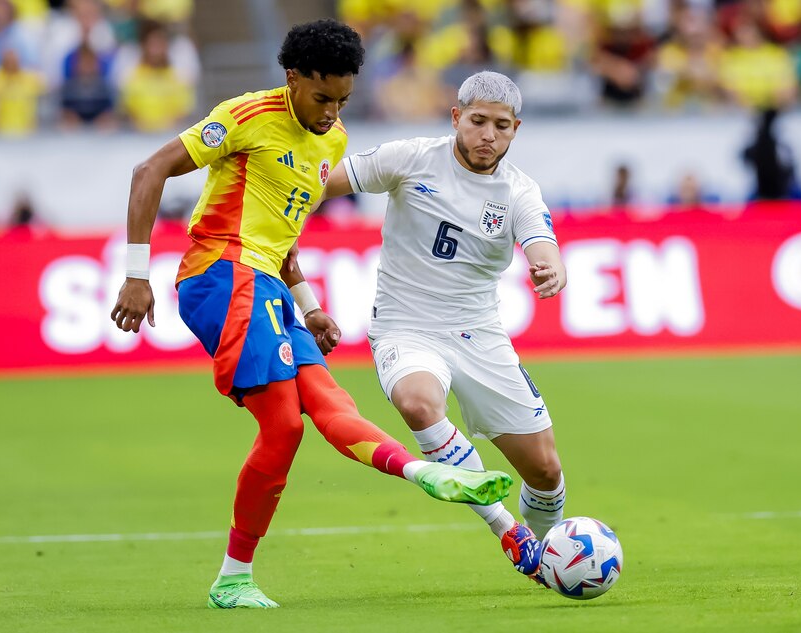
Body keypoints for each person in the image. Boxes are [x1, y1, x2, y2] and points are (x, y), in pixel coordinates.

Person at [109, 20, 512, 610]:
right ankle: (234, 577)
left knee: (330, 405)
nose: (331, 112)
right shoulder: (246, 117)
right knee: (285, 425)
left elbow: (283, 232)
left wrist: (311, 305)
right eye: (322, 97)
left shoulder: (332, 140)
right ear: (292, 78)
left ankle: (427, 475)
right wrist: (137, 274)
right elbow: (149, 172)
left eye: (343, 100)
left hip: (267, 285)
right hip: (220, 274)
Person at [316, 71, 567, 580]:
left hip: (479, 335)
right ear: (456, 118)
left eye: (501, 125)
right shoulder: (409, 158)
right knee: (417, 402)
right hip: (405, 328)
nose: (488, 135)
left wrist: (551, 265)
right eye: (477, 121)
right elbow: (320, 183)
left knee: (545, 471)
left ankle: (552, 553)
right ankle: (506, 529)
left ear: (515, 129)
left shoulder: (518, 190)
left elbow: (541, 239)